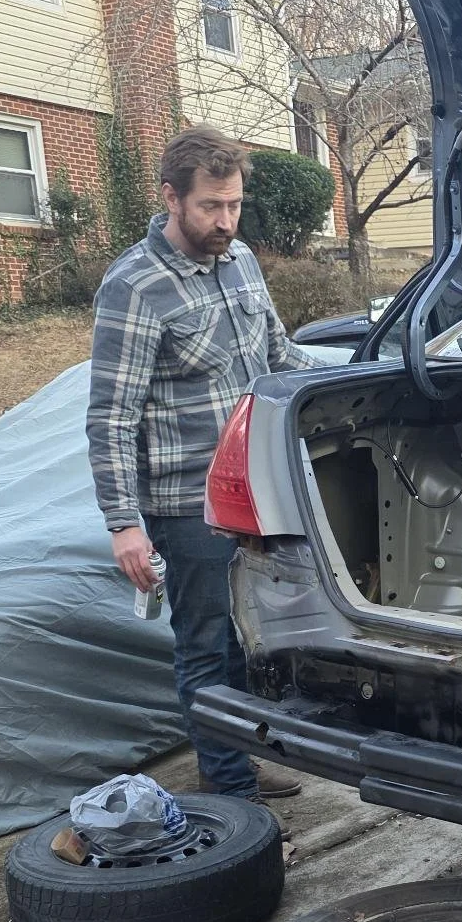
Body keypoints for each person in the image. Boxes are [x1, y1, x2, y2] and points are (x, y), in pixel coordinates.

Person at [86, 126, 317, 801]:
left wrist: (363, 374)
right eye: (211, 207)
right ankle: (230, 793)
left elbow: (279, 357)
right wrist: (123, 523)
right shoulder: (135, 287)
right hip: (187, 503)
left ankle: (241, 758)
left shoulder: (240, 258)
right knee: (207, 644)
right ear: (170, 198)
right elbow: (111, 416)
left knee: (254, 637)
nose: (226, 221)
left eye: (235, 205)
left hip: (256, 486)